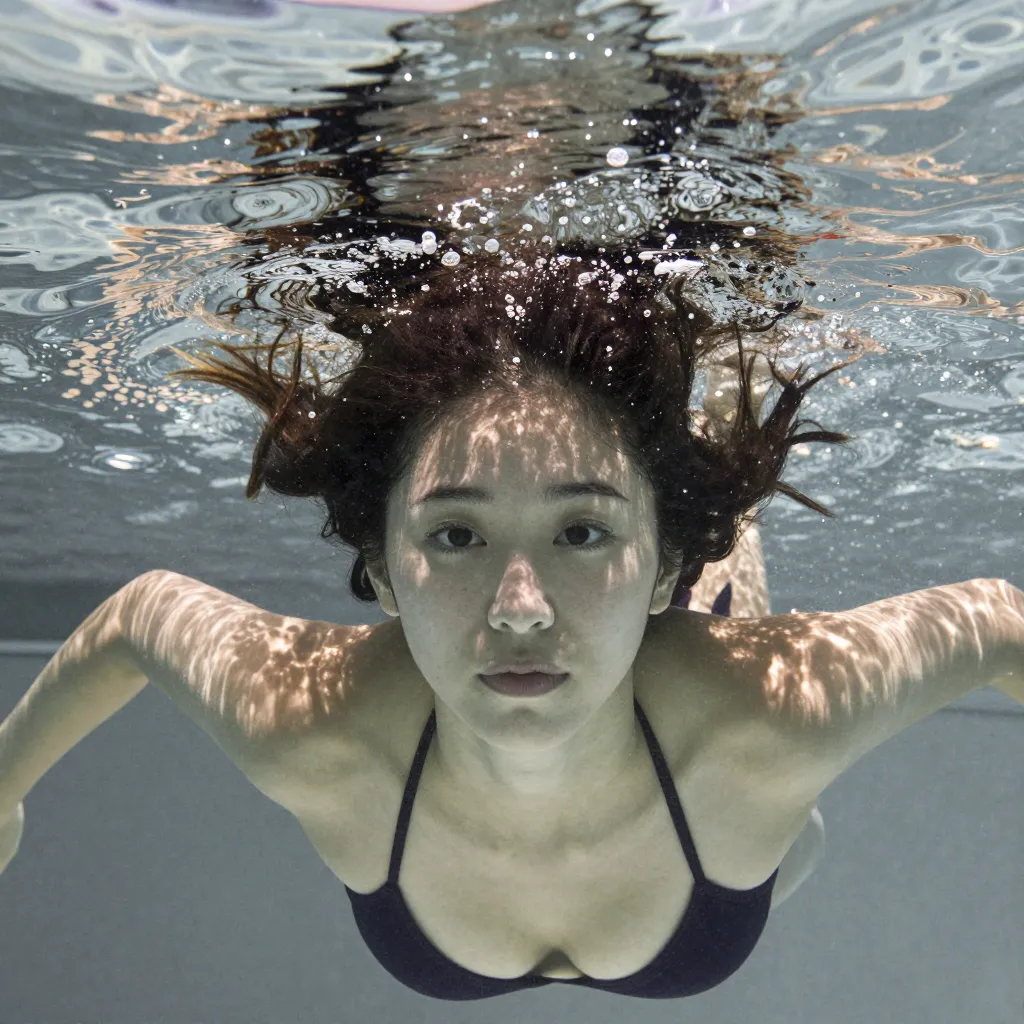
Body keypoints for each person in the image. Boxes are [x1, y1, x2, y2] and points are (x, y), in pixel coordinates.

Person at [3, 245, 1020, 1002]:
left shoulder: (765, 722)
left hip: (707, 770)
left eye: (580, 530)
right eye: (454, 536)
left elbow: (996, 624)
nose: (519, 609)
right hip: (701, 817)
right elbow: (140, 618)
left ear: (658, 561)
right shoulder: (317, 732)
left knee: (782, 827)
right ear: (380, 570)